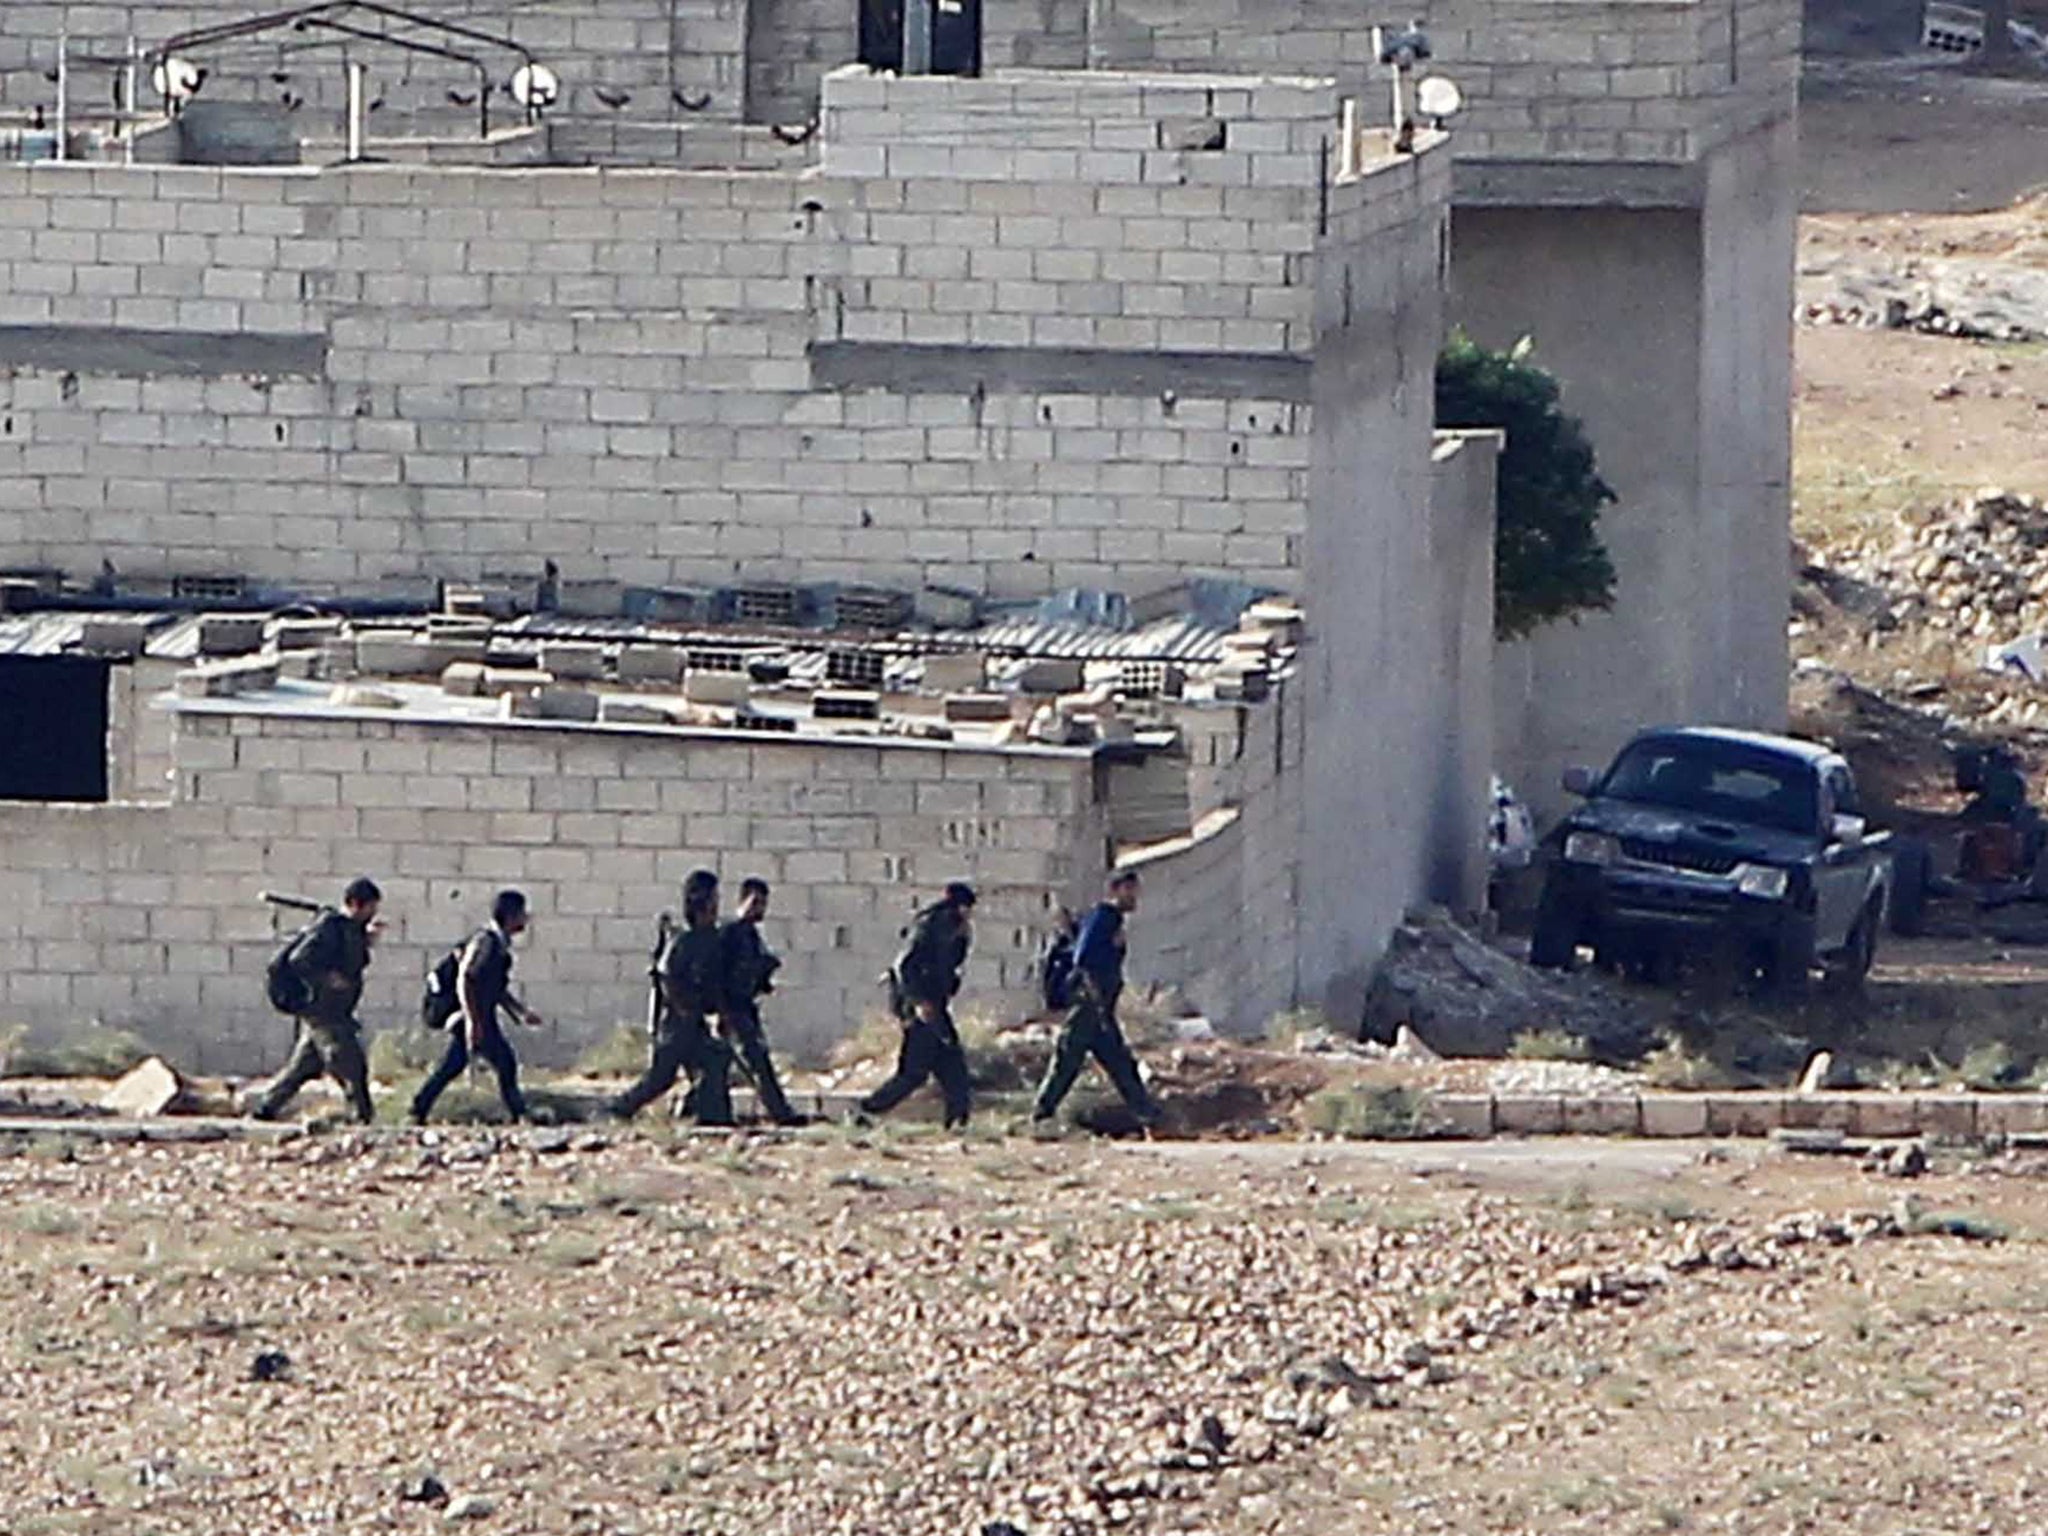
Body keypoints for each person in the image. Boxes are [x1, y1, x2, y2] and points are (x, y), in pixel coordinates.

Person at [1032, 870, 1162, 1126]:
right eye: (1129, 890)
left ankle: (1147, 1114)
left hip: (1100, 1006)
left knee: (1120, 1063)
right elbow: (1083, 956)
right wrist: (1093, 991)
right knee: (1068, 1061)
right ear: (1115, 890)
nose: (1134, 896)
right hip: (1089, 1004)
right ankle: (1041, 1114)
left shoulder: (1106, 919)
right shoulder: (1105, 916)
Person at [249, 877, 383, 1123]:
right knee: (352, 1065)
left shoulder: (347, 929)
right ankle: (363, 1118)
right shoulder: (329, 927)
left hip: (332, 1010)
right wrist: (329, 979)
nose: (372, 914)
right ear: (354, 904)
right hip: (325, 1011)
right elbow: (300, 959)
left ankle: (265, 1108)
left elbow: (350, 960)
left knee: (302, 1068)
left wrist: (366, 940)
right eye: (369, 908)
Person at [410, 889, 542, 1124]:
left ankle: (418, 1109)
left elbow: (494, 988)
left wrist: (520, 1013)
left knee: (455, 1063)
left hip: (475, 1012)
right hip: (465, 1012)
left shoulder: (498, 945)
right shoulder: (486, 942)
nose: (525, 919)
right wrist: (472, 1021)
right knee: (504, 1061)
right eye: (522, 914)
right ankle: (520, 1114)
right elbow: (466, 979)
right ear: (510, 916)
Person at [612, 870, 733, 1123]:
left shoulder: (711, 938)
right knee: (661, 1078)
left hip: (696, 1021)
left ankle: (712, 1115)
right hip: (675, 1024)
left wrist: (720, 1013)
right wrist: (684, 1008)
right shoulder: (683, 940)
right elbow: (666, 976)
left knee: (714, 1060)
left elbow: (716, 981)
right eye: (712, 898)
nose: (716, 904)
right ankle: (618, 1109)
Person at [858, 882, 975, 1128]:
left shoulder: (954, 929)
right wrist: (919, 1002)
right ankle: (867, 1110)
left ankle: (957, 1122)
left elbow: (949, 966)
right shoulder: (932, 924)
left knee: (952, 1067)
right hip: (921, 1006)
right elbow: (905, 965)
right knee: (915, 1071)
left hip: (934, 1004)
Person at [716, 877, 806, 1126]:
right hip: (732, 1008)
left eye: (763, 904)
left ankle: (699, 1109)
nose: (760, 909)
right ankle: (781, 1113)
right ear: (742, 901)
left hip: (745, 1006)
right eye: (755, 903)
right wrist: (721, 1010)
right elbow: (718, 973)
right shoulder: (729, 932)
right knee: (756, 1061)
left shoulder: (751, 935)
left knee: (723, 1065)